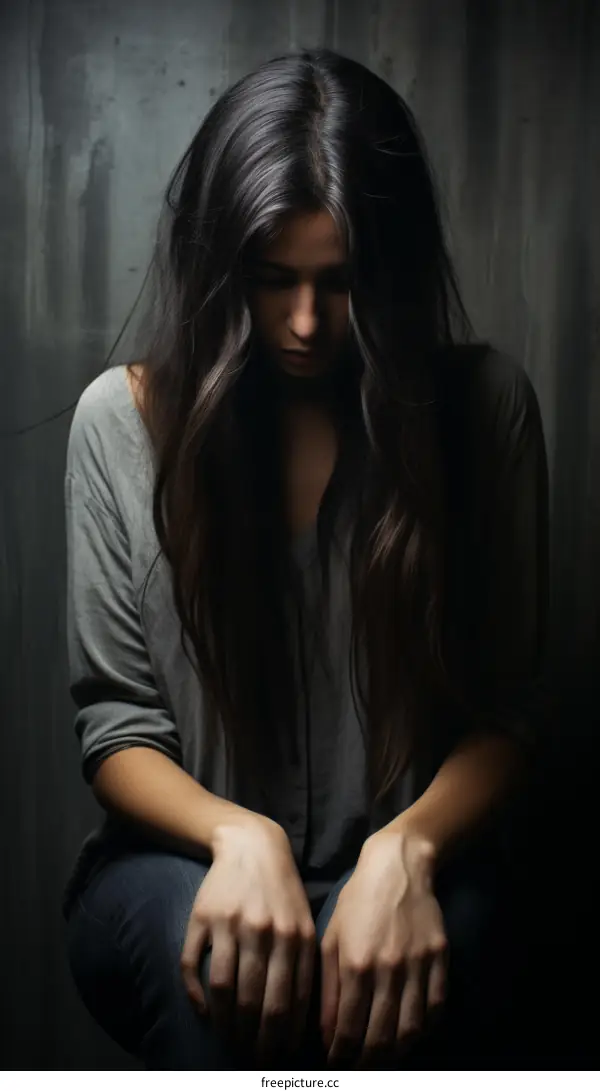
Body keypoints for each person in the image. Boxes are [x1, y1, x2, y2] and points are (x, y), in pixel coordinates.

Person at [62, 47, 549, 1071]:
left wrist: (404, 848)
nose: (303, 321)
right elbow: (116, 729)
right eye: (272, 279)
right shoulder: (119, 422)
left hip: (421, 868)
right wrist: (242, 838)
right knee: (213, 967)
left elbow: (506, 714)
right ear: (219, 260)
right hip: (175, 870)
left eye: (341, 283)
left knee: (433, 968)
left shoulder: (485, 408)